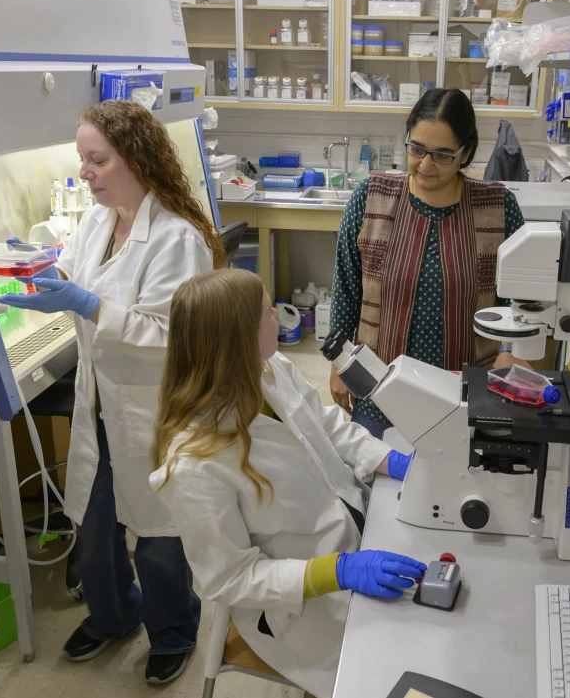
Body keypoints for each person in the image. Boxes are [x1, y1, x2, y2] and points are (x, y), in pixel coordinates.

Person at [0, 100, 225, 684]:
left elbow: (172, 332)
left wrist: (85, 304)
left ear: (138, 160)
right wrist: (39, 272)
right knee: (95, 531)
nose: (85, 172)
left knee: (157, 535)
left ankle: (173, 630)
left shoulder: (177, 239)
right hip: (102, 406)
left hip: (156, 409)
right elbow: (75, 276)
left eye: (97, 160)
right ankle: (114, 614)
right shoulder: (98, 223)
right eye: (83, 160)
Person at [148, 268, 426, 698]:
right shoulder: (193, 464)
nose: (279, 318)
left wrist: (386, 458)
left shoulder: (269, 368)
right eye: (267, 314)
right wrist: (336, 572)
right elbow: (229, 578)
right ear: (236, 339)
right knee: (393, 670)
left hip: (357, 528)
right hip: (297, 607)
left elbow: (327, 422)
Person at [329, 88, 529, 438]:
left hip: (468, 395)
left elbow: (522, 299)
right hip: (378, 390)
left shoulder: (498, 208)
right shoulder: (370, 198)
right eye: (417, 148)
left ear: (465, 153)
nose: (424, 164)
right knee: (378, 484)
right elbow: (347, 289)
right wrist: (340, 364)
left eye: (442, 155)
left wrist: (511, 351)